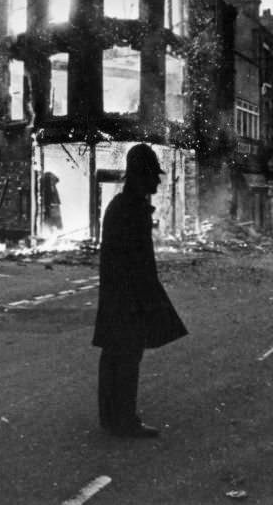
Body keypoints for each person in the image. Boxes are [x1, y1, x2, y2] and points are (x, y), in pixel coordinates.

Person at [93, 144, 187, 438]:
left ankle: (112, 418)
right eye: (153, 175)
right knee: (126, 358)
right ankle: (124, 421)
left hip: (119, 297)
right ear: (141, 175)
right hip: (128, 299)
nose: (157, 181)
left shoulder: (122, 206)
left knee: (115, 357)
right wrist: (145, 302)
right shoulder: (132, 210)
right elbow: (137, 264)